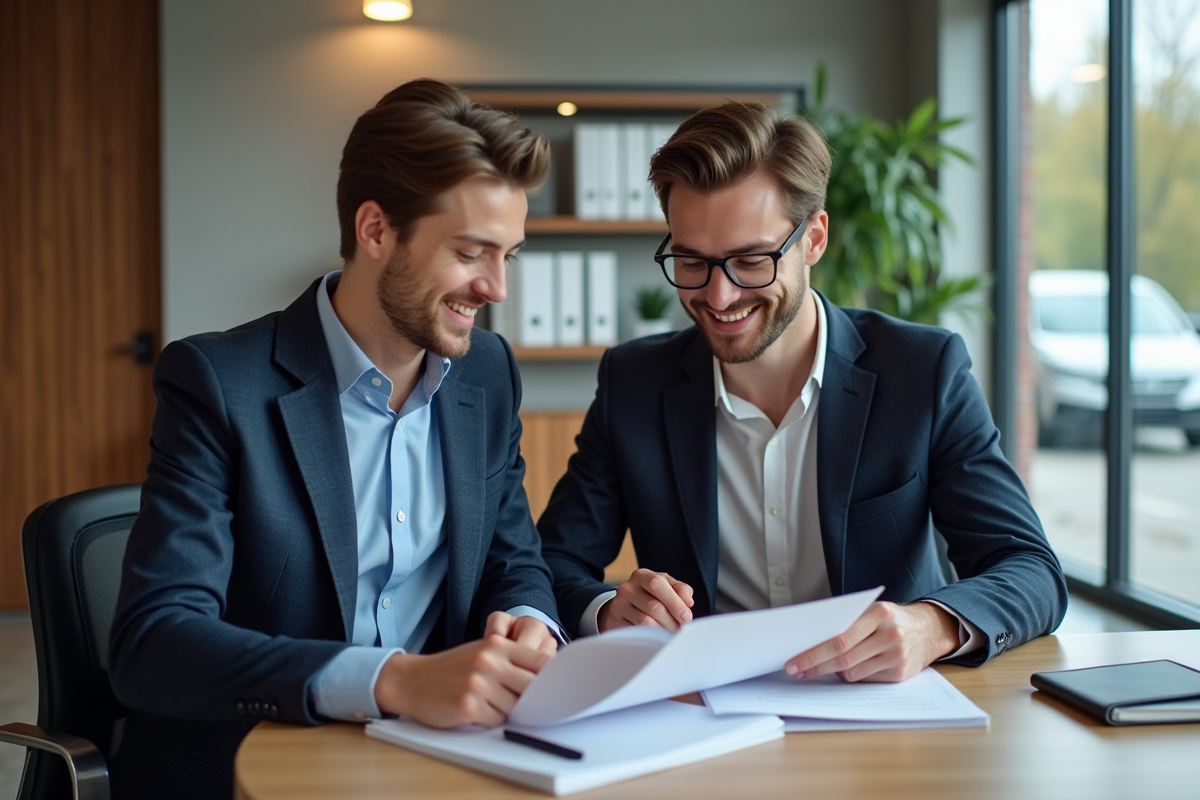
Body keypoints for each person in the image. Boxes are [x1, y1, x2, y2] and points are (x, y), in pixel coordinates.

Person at [109, 79, 562, 800]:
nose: (497, 289)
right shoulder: (219, 383)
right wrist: (393, 679)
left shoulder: (487, 376)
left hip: (440, 761)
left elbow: (514, 557)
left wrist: (533, 625)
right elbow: (154, 641)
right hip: (256, 768)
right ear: (376, 230)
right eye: (473, 253)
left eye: (509, 255)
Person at [538, 101, 1066, 682]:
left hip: (885, 724)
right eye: (692, 261)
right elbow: (552, 564)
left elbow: (1029, 568)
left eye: (751, 260)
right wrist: (607, 608)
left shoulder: (922, 371)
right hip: (704, 722)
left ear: (813, 239)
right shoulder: (632, 383)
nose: (718, 296)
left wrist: (932, 625)